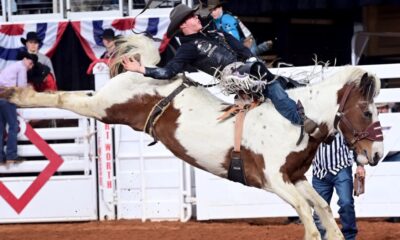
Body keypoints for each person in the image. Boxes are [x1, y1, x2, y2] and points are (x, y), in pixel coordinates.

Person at [122, 4, 318, 134]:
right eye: (191, 16)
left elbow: (240, 47)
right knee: (267, 78)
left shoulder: (215, 32)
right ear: (183, 25)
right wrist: (142, 69)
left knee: (274, 80)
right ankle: (299, 118)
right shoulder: (187, 48)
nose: (196, 17)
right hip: (233, 76)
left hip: (247, 68)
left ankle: (296, 96)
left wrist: (249, 57)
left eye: (194, 14)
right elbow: (169, 71)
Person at [312, 133, 365, 240]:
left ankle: (349, 237)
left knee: (346, 203)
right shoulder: (311, 119)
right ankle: (324, 237)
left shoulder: (342, 118)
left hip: (341, 167)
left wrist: (360, 165)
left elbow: (354, 141)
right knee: (319, 210)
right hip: (319, 171)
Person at [0, 52, 37, 165]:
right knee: (13, 125)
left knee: (0, 127)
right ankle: (11, 154)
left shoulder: (12, 66)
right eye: (30, 63)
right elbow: (22, 87)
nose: (30, 67)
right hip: (8, 97)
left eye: (31, 65)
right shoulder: (21, 67)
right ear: (25, 59)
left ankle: (0, 157)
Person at [207, 0, 272, 56]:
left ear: (220, 8)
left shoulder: (226, 19)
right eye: (210, 11)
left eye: (214, 10)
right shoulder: (215, 19)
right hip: (239, 41)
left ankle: (262, 48)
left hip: (246, 42)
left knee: (251, 61)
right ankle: (263, 47)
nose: (212, 13)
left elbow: (235, 40)